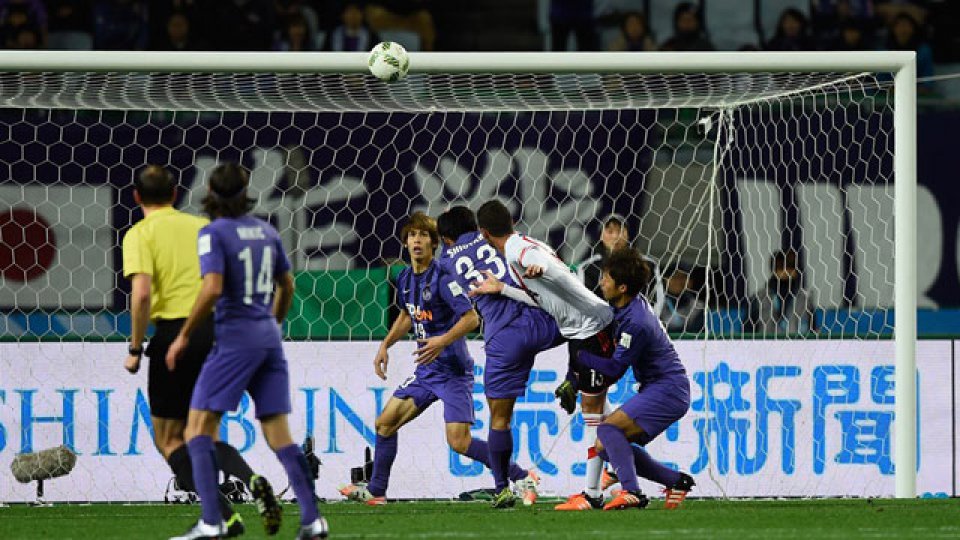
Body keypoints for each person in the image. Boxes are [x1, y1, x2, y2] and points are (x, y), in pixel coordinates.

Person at [166, 163, 327, 540]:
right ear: (245, 192)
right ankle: (313, 520)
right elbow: (286, 286)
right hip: (268, 338)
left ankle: (212, 521)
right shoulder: (267, 232)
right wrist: (273, 324)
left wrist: (184, 335)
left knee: (197, 430)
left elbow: (212, 289)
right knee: (280, 436)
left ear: (209, 192)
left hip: (235, 339)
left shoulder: (213, 233)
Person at [337, 211, 533, 506]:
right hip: (427, 371)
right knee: (385, 423)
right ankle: (377, 490)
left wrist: (441, 341)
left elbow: (471, 318)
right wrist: (385, 345)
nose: (417, 241)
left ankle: (520, 477)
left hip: (453, 371)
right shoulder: (404, 278)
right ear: (405, 242)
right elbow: (407, 313)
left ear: (434, 243)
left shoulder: (443, 277)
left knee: (459, 442)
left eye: (424, 236)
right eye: (413, 235)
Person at [122, 166, 263, 538]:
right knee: (205, 433)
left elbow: (140, 295)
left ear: (137, 197)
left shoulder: (140, 233)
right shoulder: (202, 226)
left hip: (175, 335)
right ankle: (250, 481)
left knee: (169, 438)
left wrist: (136, 348)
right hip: (218, 331)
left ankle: (220, 516)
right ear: (175, 194)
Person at [470, 200, 616, 511]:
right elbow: (543, 298)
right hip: (578, 330)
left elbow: (535, 263)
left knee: (593, 411)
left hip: (592, 325)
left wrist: (540, 268)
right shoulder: (527, 242)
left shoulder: (518, 252)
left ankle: (594, 490)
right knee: (596, 406)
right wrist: (503, 289)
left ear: (483, 233)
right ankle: (617, 464)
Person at [435, 206, 561, 508]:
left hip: (505, 338)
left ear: (445, 239)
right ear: (478, 228)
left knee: (500, 419)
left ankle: (503, 486)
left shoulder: (445, 260)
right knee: (586, 329)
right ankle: (579, 376)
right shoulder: (496, 241)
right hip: (542, 319)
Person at [574, 247, 694, 510]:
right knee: (606, 445)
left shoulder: (636, 322)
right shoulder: (626, 305)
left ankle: (632, 492)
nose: (601, 282)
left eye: (606, 278)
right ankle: (677, 481)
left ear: (623, 287)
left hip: (668, 390)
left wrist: (582, 358)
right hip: (660, 387)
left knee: (608, 430)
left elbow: (616, 369)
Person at [745, 249, 816, 335]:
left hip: (797, 347)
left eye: (789, 265)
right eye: (781, 266)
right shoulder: (760, 298)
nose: (785, 270)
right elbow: (746, 332)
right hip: (766, 347)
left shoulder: (805, 299)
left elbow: (813, 331)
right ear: (773, 268)